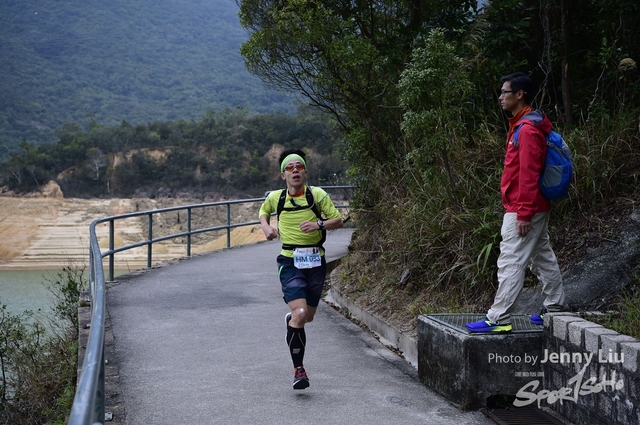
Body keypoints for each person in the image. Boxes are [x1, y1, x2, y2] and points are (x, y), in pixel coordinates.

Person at [466, 72, 565, 333]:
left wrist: (523, 213)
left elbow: (529, 174)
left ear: (519, 95)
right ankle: (555, 307)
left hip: (524, 206)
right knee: (541, 257)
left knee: (511, 259)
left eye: (505, 92)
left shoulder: (528, 130)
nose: (500, 97)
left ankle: (499, 319)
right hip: (532, 205)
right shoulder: (522, 125)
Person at [259, 149, 344, 388]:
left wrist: (319, 224)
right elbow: (263, 212)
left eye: (299, 167)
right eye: (289, 167)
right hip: (290, 261)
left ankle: (294, 318)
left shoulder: (317, 195)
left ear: (305, 172)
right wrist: (266, 227)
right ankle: (299, 370)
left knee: (308, 316)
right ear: (283, 175)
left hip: (316, 262)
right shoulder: (276, 198)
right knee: (300, 314)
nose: (295, 170)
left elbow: (338, 220)